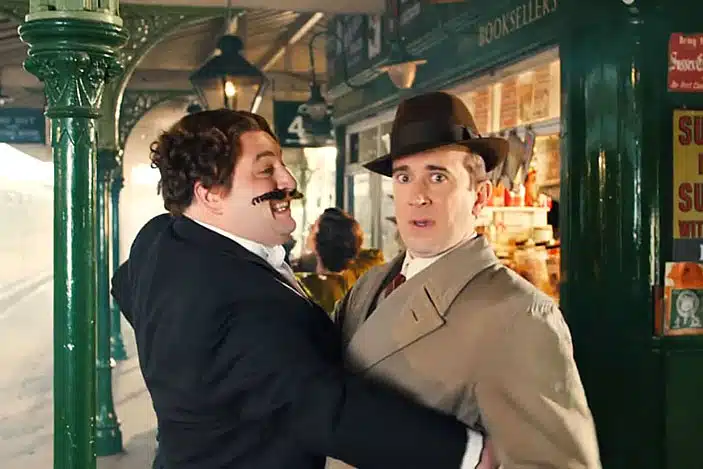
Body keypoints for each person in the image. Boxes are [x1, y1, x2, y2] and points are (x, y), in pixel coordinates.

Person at [111, 109, 495, 469]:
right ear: (209, 194)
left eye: (281, 164)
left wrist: (185, 363)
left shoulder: (159, 238)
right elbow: (331, 412)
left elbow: (124, 285)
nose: (288, 181)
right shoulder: (243, 305)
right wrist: (467, 452)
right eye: (266, 170)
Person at [334, 92, 602, 469]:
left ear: (479, 197)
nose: (417, 196)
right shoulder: (368, 286)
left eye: (437, 177)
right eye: (404, 177)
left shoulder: (518, 316)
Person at [298, 208, 384, 313]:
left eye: (312, 228)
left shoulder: (308, 288)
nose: (309, 229)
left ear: (318, 242)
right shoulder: (362, 274)